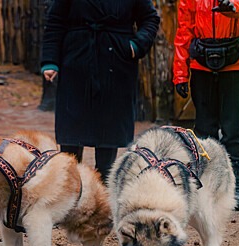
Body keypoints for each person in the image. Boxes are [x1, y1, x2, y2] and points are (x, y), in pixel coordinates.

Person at [41, 0, 160, 182]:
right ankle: (70, 183)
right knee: (72, 128)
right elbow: (56, 21)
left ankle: (104, 186)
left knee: (109, 129)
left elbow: (150, 19)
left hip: (116, 62)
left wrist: (136, 46)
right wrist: (50, 59)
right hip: (76, 60)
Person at [173, 0, 239, 211]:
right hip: (202, 63)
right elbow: (184, 28)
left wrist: (233, 6)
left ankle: (234, 189)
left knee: (233, 130)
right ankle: (206, 189)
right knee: (204, 132)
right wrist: (180, 73)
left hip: (236, 62)